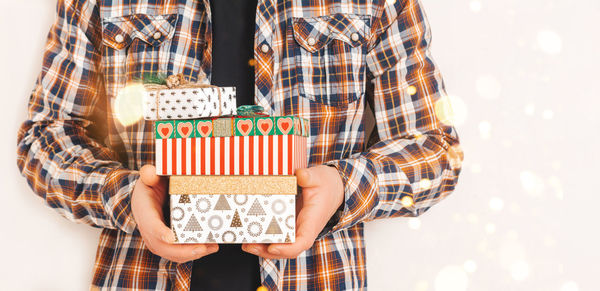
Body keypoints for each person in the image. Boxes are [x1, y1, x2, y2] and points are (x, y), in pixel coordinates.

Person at [16, 0, 463, 290]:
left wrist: (343, 189)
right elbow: (45, 137)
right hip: (142, 276)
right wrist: (124, 197)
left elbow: (436, 150)